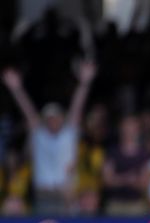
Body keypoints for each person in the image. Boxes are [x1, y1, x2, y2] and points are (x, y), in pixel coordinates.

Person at [2, 60, 96, 214]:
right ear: (45, 120)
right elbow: (29, 112)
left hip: (67, 197)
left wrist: (84, 83)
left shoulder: (68, 135)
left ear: (62, 119)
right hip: (43, 196)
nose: (53, 121)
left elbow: (77, 107)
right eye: (49, 118)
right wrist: (16, 88)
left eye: (57, 117)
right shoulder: (40, 137)